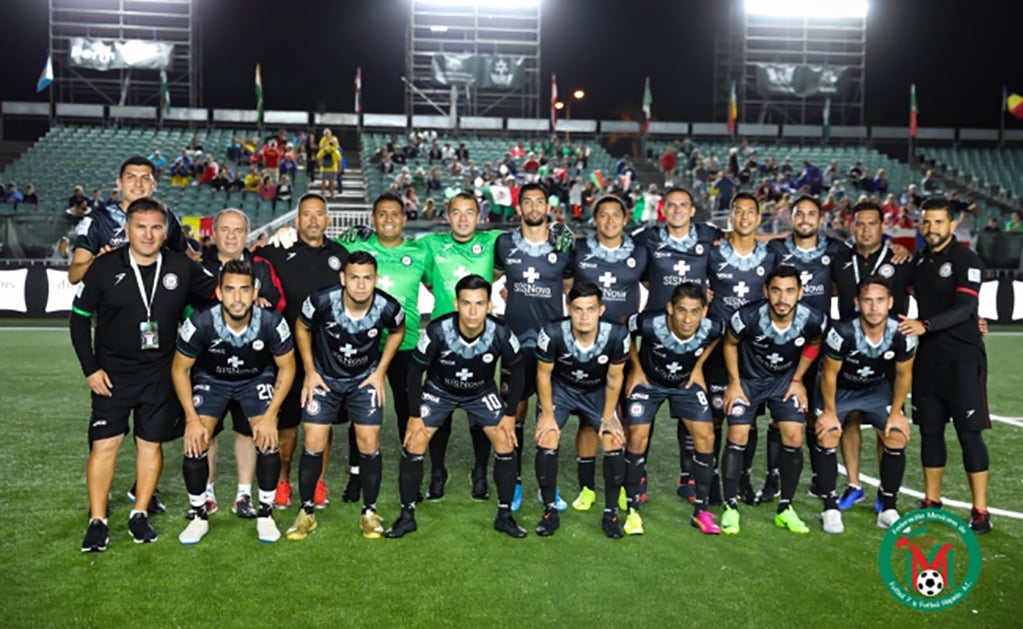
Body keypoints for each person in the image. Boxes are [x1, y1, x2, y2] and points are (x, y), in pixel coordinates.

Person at [71, 198, 217, 552]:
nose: (148, 235)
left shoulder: (181, 266)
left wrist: (257, 294)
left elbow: (217, 295)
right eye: (140, 227)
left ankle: (139, 513)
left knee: (150, 444)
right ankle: (98, 520)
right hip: (111, 376)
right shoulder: (104, 267)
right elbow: (78, 319)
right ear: (128, 230)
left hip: (160, 375)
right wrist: (90, 369)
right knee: (105, 444)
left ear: (165, 231)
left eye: (155, 227)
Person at [385, 274, 527, 539]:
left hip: (481, 392)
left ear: (489, 305)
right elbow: (415, 372)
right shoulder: (438, 330)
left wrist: (510, 415)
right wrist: (415, 416)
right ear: (456, 304)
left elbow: (518, 371)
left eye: (479, 303)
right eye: (466, 303)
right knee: (414, 441)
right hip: (440, 391)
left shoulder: (501, 332)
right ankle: (406, 517)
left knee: (506, 441)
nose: (473, 311)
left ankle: (505, 516)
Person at [171, 260, 296, 544]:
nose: (237, 298)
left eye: (244, 290)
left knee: (268, 439)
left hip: (255, 378)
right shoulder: (200, 322)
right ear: (219, 292)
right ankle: (199, 515)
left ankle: (265, 513)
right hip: (211, 379)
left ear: (255, 292)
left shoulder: (272, 322)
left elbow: (287, 368)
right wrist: (191, 419)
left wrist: (270, 416)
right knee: (196, 440)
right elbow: (179, 370)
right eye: (230, 289)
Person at [287, 251, 406, 540]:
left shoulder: (389, 307)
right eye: (354, 278)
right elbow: (301, 327)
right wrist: (310, 371)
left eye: (367, 278)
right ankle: (306, 513)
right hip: (324, 379)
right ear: (343, 278)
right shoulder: (321, 301)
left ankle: (369, 512)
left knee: (369, 441)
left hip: (363, 381)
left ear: (376, 279)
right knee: (313, 440)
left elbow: (398, 331)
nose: (361, 285)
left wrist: (380, 371)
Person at [897, 197, 992, 534]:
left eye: (938, 222)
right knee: (931, 432)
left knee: (969, 435)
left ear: (953, 224)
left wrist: (926, 325)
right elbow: (897, 285)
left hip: (963, 360)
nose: (931, 228)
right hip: (928, 361)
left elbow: (965, 307)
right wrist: (899, 251)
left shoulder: (967, 260)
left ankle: (980, 510)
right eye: (926, 222)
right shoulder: (920, 260)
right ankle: (931, 500)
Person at [254, 193, 349, 509]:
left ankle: (319, 482)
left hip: (329, 355)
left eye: (319, 214)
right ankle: (283, 482)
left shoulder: (340, 255)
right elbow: (248, 258)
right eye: (306, 214)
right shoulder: (279, 250)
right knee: (288, 424)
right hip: (288, 354)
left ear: (328, 220)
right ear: (296, 221)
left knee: (323, 422)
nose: (313, 220)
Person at [757, 195, 850, 504]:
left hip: (817, 344)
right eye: (800, 214)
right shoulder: (777, 248)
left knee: (814, 413)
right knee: (779, 414)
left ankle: (819, 478)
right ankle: (773, 478)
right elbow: (752, 244)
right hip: (781, 342)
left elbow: (863, 258)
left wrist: (899, 249)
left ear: (820, 220)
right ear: (791, 218)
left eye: (812, 214)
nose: (806, 219)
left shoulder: (835, 249)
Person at [721, 265, 826, 535]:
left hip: (784, 382)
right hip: (748, 381)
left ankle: (785, 508)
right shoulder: (746, 317)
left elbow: (815, 342)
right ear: (766, 291)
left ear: (800, 293)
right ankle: (730, 507)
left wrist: (798, 379)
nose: (782, 298)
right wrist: (734, 383)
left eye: (790, 291)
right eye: (776, 290)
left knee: (794, 436)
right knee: (738, 434)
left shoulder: (813, 319)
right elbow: (729, 343)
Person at [339, 193, 428, 502]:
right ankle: (356, 477)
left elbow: (440, 282)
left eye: (394, 214)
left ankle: (411, 478)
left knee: (409, 412)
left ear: (404, 218)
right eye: (382, 214)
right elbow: (325, 254)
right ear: (373, 219)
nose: (388, 219)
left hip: (407, 343)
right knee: (360, 413)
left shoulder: (420, 251)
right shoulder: (357, 247)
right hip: (364, 344)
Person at [493, 182, 575, 511]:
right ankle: (514, 484)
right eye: (527, 202)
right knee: (514, 413)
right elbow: (489, 273)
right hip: (514, 343)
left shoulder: (563, 246)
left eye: (539, 201)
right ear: (519, 208)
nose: (534, 207)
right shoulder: (504, 244)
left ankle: (547, 487)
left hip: (551, 345)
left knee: (547, 414)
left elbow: (571, 289)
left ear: (548, 207)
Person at [199, 208, 286, 517]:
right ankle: (206, 494)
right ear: (214, 234)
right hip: (208, 366)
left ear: (247, 234)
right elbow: (190, 307)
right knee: (205, 432)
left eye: (238, 230)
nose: (231, 236)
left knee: (247, 431)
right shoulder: (198, 266)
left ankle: (244, 495)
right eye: (225, 229)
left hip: (253, 365)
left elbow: (278, 303)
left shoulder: (261, 265)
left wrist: (259, 306)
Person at [418, 192, 503, 499]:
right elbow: (397, 254)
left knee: (479, 410)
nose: (463, 218)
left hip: (481, 340)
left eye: (469, 212)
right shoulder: (431, 244)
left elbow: (528, 244)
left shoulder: (494, 241)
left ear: (479, 216)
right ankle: (438, 472)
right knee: (439, 413)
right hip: (442, 341)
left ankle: (479, 471)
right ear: (447, 215)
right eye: (457, 212)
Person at [815, 276, 915, 533]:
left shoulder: (901, 334)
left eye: (880, 300)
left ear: (890, 302)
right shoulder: (842, 332)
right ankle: (829, 509)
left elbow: (904, 374)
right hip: (841, 390)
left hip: (875, 389)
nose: (874, 307)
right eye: (867, 300)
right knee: (828, 433)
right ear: (857, 303)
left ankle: (888, 509)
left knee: (896, 435)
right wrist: (829, 412)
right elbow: (829, 374)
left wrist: (896, 413)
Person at [623, 283, 724, 535]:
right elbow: (625, 327)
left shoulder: (713, 326)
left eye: (695, 311)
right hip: (650, 383)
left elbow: (719, 338)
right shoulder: (649, 323)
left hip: (684, 384)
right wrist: (636, 368)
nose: (687, 319)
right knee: (637, 437)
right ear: (670, 308)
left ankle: (701, 512)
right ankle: (632, 509)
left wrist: (698, 367)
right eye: (681, 310)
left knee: (706, 437)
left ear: (704, 311)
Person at [567, 194, 647, 510]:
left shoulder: (640, 252)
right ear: (595, 219)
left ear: (625, 219)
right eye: (603, 215)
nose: (610, 221)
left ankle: (624, 483)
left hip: (624, 348)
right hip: (587, 348)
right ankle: (587, 488)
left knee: (623, 418)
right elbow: (565, 285)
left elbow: (658, 285)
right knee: (589, 421)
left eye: (616, 215)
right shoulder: (580, 250)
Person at [533, 283, 630, 538]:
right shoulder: (552, 332)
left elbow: (614, 378)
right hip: (561, 389)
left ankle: (610, 514)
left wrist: (609, 417)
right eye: (578, 309)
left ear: (601, 310)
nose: (584, 316)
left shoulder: (618, 335)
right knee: (547, 436)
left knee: (613, 439)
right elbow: (543, 375)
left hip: (597, 391)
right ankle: (549, 510)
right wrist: (547, 416)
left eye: (590, 309)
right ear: (569, 309)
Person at [703, 193, 777, 507]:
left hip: (752, 349)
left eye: (750, 212)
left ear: (758, 218)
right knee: (716, 416)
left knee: (749, 417)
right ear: (730, 217)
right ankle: (712, 479)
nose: (744, 217)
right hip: (718, 345)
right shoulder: (713, 252)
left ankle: (743, 477)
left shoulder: (770, 255)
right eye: (738, 211)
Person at [69, 156, 191, 285]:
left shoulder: (167, 217)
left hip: (154, 295)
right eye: (131, 177)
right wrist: (98, 262)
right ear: (119, 183)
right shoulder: (97, 219)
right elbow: (73, 275)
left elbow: (187, 259)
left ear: (154, 185)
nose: (138, 184)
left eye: (145, 178)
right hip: (111, 297)